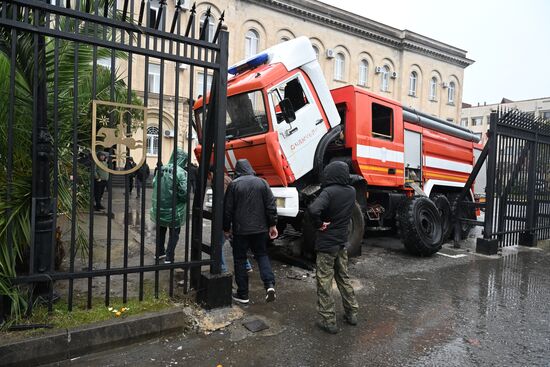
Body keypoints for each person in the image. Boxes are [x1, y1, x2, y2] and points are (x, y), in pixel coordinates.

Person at [307, 161, 359, 334]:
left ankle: (328, 320)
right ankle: (352, 313)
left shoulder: (328, 192)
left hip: (327, 245)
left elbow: (314, 209)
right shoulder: (352, 192)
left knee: (324, 282)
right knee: (343, 278)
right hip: (341, 243)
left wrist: (319, 224)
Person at [223, 159, 277, 304]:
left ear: (237, 171)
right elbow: (271, 206)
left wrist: (226, 228)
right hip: (260, 229)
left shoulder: (234, 185)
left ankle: (243, 294)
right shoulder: (262, 183)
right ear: (250, 168)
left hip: (241, 230)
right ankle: (269, 285)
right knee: (261, 255)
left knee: (240, 260)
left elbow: (227, 210)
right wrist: (272, 225)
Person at [207, 167, 252, 273]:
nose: (208, 179)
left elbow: (223, 202)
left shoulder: (219, 182)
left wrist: (223, 221)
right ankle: (247, 265)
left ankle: (222, 268)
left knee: (217, 244)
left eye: (208, 176)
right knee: (235, 242)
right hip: (235, 216)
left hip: (226, 217)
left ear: (210, 174)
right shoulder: (227, 179)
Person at [150, 149, 188, 264]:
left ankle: (159, 253)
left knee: (161, 231)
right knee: (174, 234)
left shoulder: (161, 169)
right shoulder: (181, 172)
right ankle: (169, 257)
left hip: (159, 208)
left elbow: (154, 184)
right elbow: (184, 192)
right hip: (175, 210)